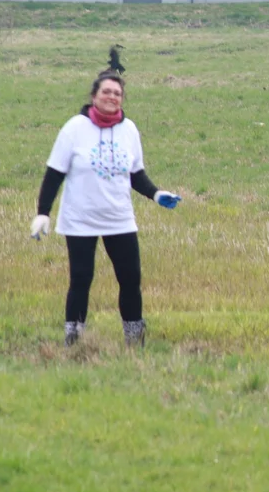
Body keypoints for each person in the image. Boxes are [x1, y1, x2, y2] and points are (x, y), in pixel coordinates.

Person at [30, 47, 181, 348]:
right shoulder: (74, 128)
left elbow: (136, 175)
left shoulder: (129, 130)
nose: (112, 97)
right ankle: (74, 340)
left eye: (118, 93)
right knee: (81, 280)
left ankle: (134, 339)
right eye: (107, 92)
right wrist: (43, 212)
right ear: (94, 95)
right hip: (80, 219)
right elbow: (54, 173)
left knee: (130, 279)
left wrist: (156, 193)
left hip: (119, 218)